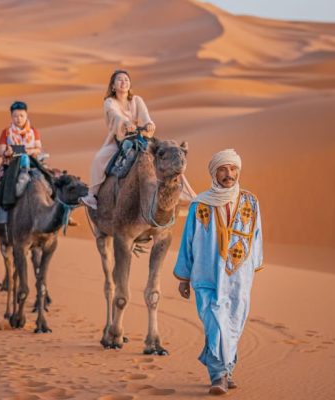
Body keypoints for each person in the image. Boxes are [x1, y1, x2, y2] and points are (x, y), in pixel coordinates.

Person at [173, 149, 264, 395]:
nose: (229, 174)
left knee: (233, 324)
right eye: (223, 169)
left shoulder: (250, 202)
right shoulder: (200, 204)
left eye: (233, 169)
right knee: (215, 325)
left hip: (238, 278)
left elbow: (256, 239)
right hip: (206, 277)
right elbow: (188, 241)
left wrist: (253, 268)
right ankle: (219, 376)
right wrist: (184, 276)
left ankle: (228, 368)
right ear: (214, 173)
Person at [80, 69, 194, 209]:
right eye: (120, 80)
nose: (124, 82)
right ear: (113, 86)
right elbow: (115, 116)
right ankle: (93, 195)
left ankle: (183, 192)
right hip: (119, 140)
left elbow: (145, 116)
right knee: (99, 158)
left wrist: (149, 125)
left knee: (168, 154)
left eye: (126, 80)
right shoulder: (109, 102)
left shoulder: (137, 100)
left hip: (140, 138)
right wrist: (125, 124)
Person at [0, 101, 42, 235]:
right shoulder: (6, 132)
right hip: (9, 165)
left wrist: (16, 149)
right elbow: (1, 151)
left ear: (26, 115)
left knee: (54, 181)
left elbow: (38, 149)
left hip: (33, 164)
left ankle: (62, 215)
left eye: (21, 115)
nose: (18, 119)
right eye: (15, 116)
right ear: (11, 117)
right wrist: (21, 150)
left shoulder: (33, 131)